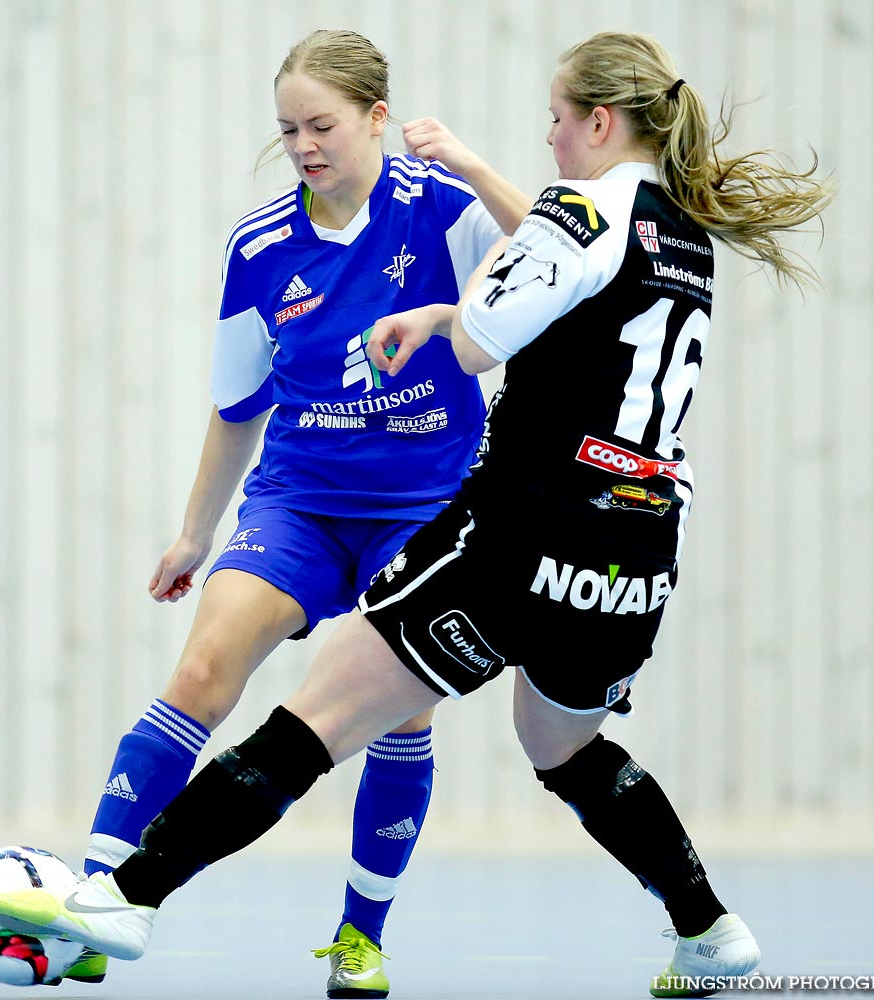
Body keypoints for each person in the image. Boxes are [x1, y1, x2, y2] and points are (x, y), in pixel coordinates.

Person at [0, 30, 836, 998]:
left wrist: (439, 312)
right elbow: (578, 314)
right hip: (634, 551)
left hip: (527, 527)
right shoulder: (681, 232)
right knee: (561, 746)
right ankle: (708, 929)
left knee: (323, 709)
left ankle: (124, 897)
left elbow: (482, 341)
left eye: (557, 123)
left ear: (600, 121)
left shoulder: (568, 209)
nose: (550, 142)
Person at [58, 28, 530, 997]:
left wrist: (479, 167)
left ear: (378, 120)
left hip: (425, 510)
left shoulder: (443, 210)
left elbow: (563, 263)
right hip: (301, 498)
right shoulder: (263, 243)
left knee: (396, 718)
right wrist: (196, 530)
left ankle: (362, 936)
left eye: (323, 125)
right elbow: (239, 405)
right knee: (201, 666)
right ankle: (94, 901)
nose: (306, 144)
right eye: (288, 129)